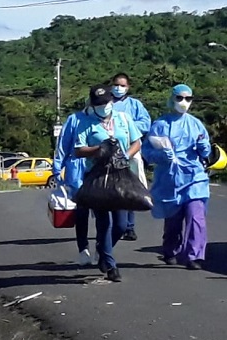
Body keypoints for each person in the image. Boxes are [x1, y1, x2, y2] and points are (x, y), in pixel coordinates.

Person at [75, 85, 142, 282]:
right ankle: (111, 266)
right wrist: (98, 149)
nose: (103, 107)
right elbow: (78, 150)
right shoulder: (86, 122)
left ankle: (103, 250)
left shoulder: (123, 119)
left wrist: (126, 156)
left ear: (111, 101)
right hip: (97, 176)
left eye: (106, 103)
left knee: (121, 225)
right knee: (104, 222)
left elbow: (137, 141)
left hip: (120, 174)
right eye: (99, 104)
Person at [142, 84, 211, 270]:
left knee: (196, 216)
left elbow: (206, 151)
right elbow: (146, 151)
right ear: (172, 99)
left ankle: (194, 255)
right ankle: (171, 249)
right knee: (173, 220)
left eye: (188, 99)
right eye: (180, 98)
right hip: (169, 179)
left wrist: (204, 146)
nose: (184, 102)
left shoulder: (196, 124)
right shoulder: (160, 125)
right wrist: (162, 156)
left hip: (194, 177)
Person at [111, 72, 151, 242]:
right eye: (117, 85)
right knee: (112, 190)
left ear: (128, 87)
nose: (119, 88)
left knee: (131, 188)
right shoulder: (105, 103)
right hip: (110, 153)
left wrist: (128, 127)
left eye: (123, 85)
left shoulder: (135, 105)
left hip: (131, 150)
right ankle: (114, 224)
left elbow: (145, 123)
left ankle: (129, 227)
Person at [53, 103, 91, 266]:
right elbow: (63, 144)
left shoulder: (110, 120)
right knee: (82, 212)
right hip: (77, 171)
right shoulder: (74, 119)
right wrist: (57, 168)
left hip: (100, 169)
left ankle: (103, 248)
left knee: (104, 212)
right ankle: (83, 248)